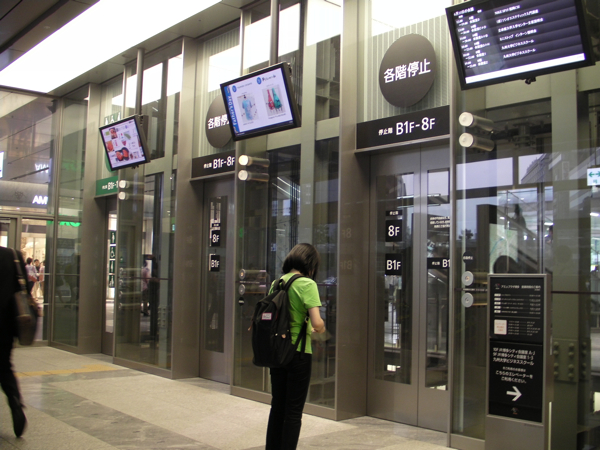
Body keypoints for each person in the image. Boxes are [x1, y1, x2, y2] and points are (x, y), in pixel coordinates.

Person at [265, 243, 326, 450]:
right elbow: (317, 322)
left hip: (277, 352)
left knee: (277, 407)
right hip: (298, 354)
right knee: (293, 412)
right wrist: (320, 327)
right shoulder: (307, 284)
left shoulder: (277, 283)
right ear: (310, 264)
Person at [0, 247, 28, 437]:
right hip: (6, 324)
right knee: (4, 366)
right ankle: (15, 403)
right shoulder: (12, 255)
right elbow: (24, 287)